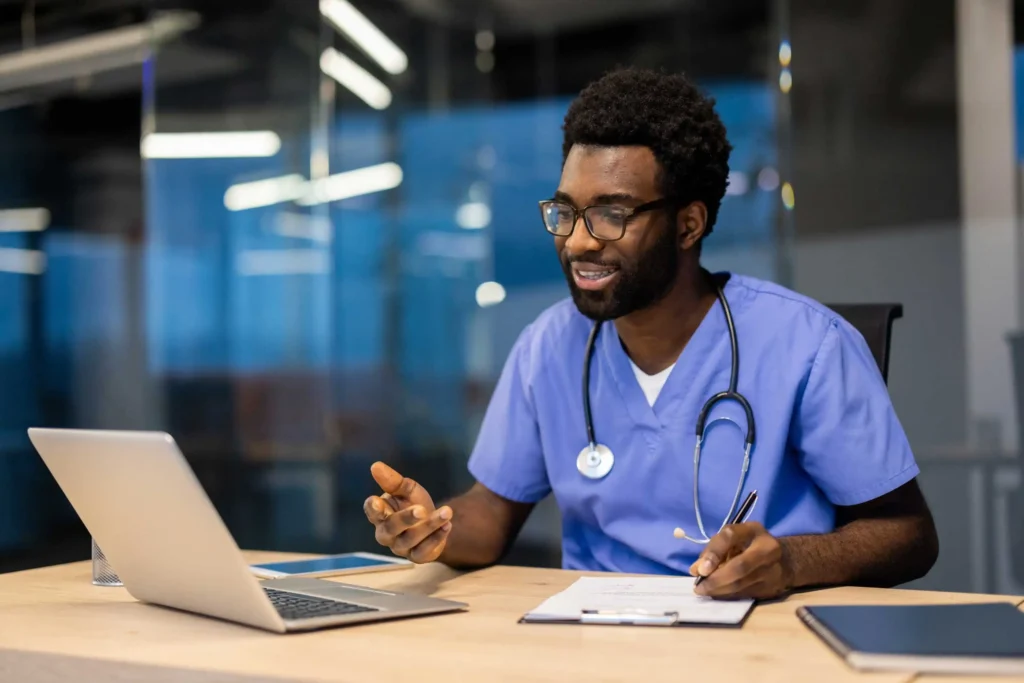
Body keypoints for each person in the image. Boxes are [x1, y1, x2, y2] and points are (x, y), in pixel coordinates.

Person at [363, 67, 939, 600]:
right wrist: (433, 527)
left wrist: (790, 562)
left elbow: (908, 533)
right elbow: (493, 512)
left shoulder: (808, 345)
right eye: (566, 212)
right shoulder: (548, 346)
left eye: (611, 215)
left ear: (688, 224)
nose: (580, 241)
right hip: (592, 639)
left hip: (756, 638)